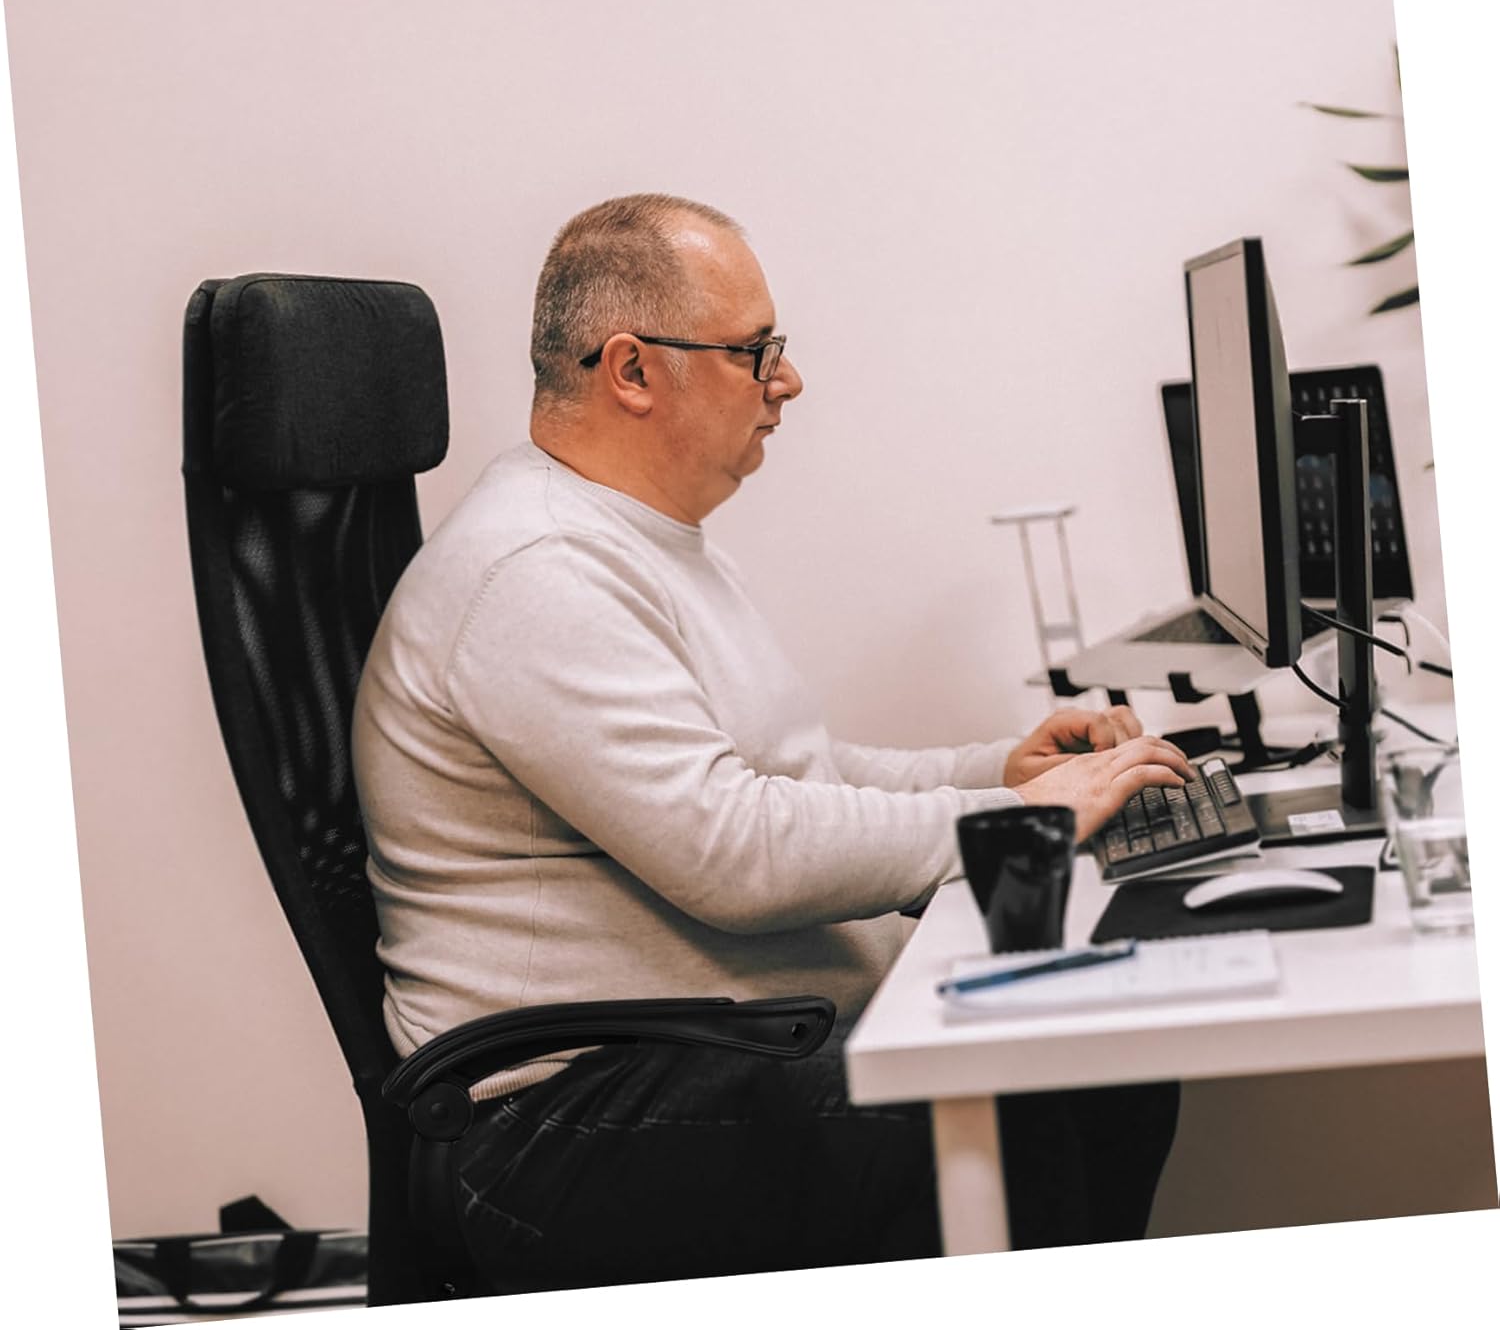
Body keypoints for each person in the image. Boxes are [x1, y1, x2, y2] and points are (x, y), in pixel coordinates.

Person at [351, 193, 1188, 1288]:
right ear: (633, 370)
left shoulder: (638, 543)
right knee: (1019, 1101)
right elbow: (735, 851)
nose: (787, 381)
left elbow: (795, 775)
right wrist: (1021, 822)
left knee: (1105, 1050)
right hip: (562, 1121)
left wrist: (999, 770)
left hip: (691, 1063)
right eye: (755, 352)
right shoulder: (535, 571)